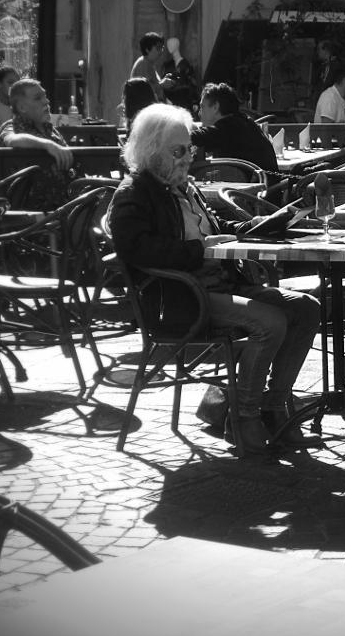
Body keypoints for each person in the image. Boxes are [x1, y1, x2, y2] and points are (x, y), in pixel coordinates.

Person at [107, 105, 322, 454]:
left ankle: (273, 409)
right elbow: (137, 250)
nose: (187, 158)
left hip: (221, 285)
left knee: (306, 308)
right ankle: (243, 418)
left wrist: (256, 227)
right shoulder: (134, 192)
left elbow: (216, 231)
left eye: (189, 149)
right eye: (178, 151)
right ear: (151, 150)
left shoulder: (183, 187)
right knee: (270, 322)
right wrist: (199, 251)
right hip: (181, 299)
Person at [0, 79, 75, 209]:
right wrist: (48, 145)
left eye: (45, 96)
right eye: (38, 98)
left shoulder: (50, 129)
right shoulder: (12, 126)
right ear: (22, 108)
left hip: (64, 206)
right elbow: (11, 140)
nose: (46, 101)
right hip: (31, 212)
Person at [192, 82, 277, 174]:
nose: (199, 113)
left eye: (202, 107)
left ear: (215, 107)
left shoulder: (228, 127)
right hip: (267, 181)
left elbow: (195, 137)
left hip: (261, 182)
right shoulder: (243, 122)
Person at [160, 37, 198, 110]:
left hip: (183, 102)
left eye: (171, 44)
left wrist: (194, 102)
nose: (169, 46)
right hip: (169, 103)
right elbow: (163, 83)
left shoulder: (186, 65)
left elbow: (192, 85)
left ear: (177, 45)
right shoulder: (167, 65)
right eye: (168, 45)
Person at [130, 32, 166, 102]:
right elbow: (144, 89)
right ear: (147, 49)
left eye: (162, 48)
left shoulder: (149, 63)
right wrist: (162, 84)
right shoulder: (143, 63)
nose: (161, 51)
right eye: (158, 48)